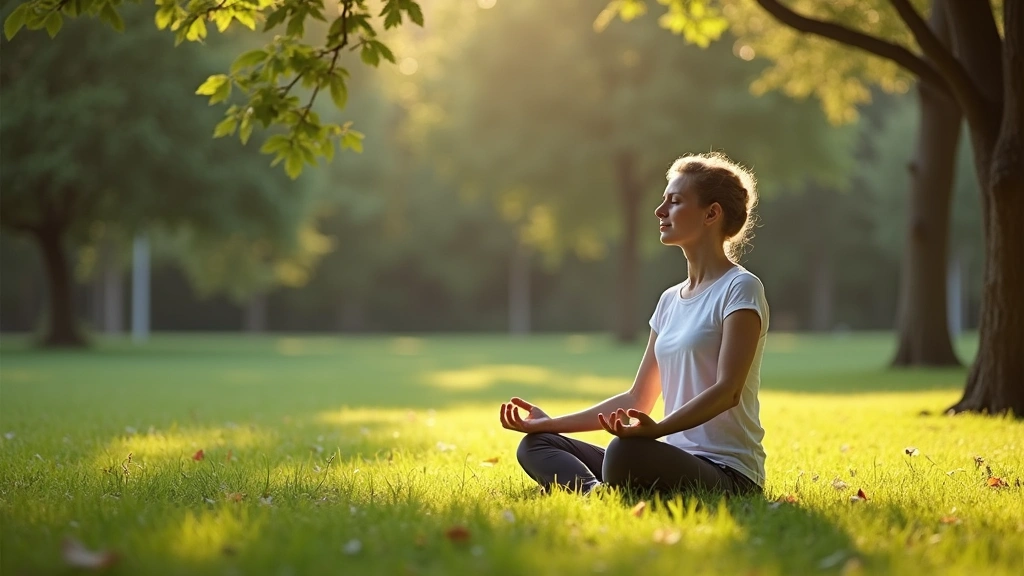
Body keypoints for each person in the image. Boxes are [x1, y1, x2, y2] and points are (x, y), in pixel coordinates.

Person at [499, 151, 768, 496]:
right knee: (537, 444)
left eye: (675, 201)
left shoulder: (740, 288)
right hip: (666, 457)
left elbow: (728, 391)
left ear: (711, 213)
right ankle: (596, 493)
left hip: (727, 473)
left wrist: (655, 432)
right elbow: (639, 398)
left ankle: (603, 490)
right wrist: (547, 423)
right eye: (663, 201)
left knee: (625, 451)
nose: (660, 211)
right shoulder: (670, 300)